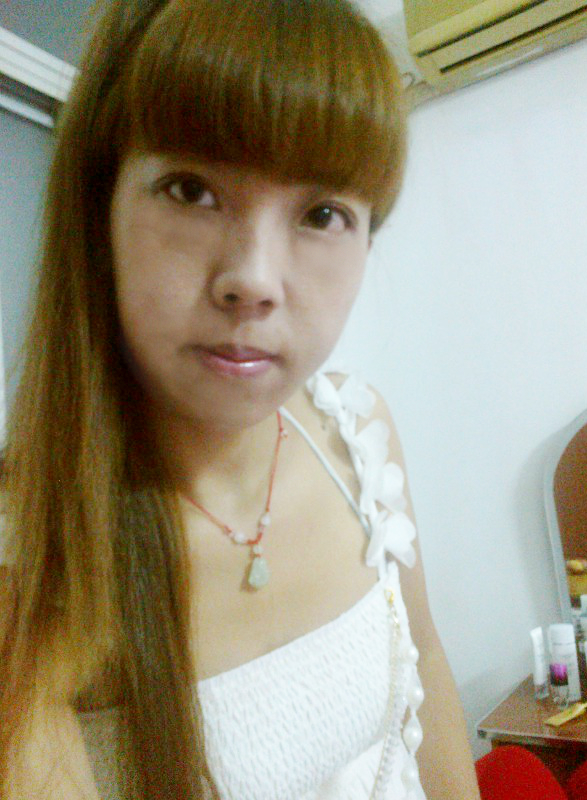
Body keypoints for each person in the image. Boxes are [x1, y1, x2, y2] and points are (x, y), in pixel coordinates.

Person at [0, 1, 481, 798]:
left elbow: (425, 668)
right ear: (100, 212)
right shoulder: (32, 554)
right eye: (191, 191)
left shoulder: (358, 436)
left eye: (322, 213)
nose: (253, 279)